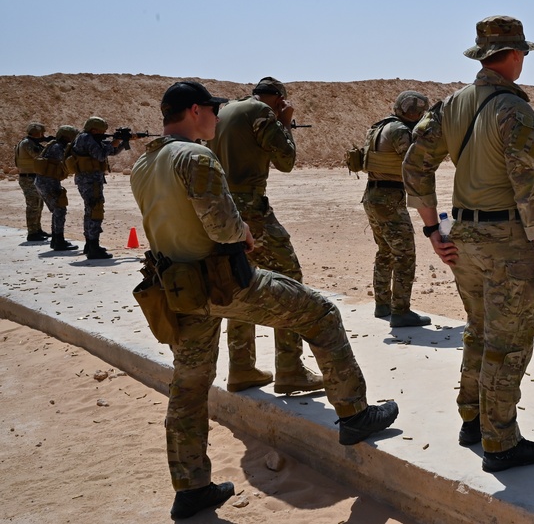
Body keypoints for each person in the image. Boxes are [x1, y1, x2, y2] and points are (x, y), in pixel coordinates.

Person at [131, 81, 399, 519]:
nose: (217, 117)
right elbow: (223, 227)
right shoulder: (195, 156)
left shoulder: (145, 163)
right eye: (212, 110)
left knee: (189, 388)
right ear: (195, 111)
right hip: (223, 282)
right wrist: (244, 233)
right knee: (321, 314)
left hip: (180, 292)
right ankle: (354, 414)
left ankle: (191, 487)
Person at [402, 15, 534, 473]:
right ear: (513, 56)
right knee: (507, 343)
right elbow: (531, 189)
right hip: (505, 242)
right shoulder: (514, 110)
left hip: (463, 238)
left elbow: (415, 167)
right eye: (523, 54)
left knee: (478, 329)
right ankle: (500, 439)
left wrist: (434, 230)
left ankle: (472, 418)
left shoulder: (451, 104)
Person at [206, 77, 323, 395]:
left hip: (222, 207)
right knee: (289, 281)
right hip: (250, 209)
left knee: (240, 282)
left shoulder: (226, 110)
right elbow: (286, 161)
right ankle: (290, 369)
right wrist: (283, 123)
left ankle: (241, 366)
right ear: (279, 99)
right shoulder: (261, 112)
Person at [362, 90, 433, 327]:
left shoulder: (381, 126)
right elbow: (413, 162)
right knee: (404, 255)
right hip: (389, 198)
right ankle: (401, 311)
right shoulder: (400, 131)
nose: (416, 113)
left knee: (385, 251)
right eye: (414, 110)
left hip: (373, 194)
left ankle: (383, 304)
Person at [71, 116, 126, 259]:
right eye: (101, 131)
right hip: (90, 181)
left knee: (90, 211)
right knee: (95, 210)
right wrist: (115, 141)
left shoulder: (88, 138)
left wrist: (121, 142)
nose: (103, 133)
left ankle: (90, 244)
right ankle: (93, 247)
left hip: (89, 180)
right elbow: (101, 155)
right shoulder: (86, 138)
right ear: (94, 129)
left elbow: (111, 152)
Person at [34, 125, 79, 252]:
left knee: (57, 211)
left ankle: (56, 239)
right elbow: (67, 160)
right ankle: (59, 241)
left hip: (44, 181)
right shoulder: (58, 147)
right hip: (48, 182)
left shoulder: (54, 145)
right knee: (60, 210)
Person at [14, 122, 50, 242]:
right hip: (28, 177)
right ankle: (32, 233)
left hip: (32, 177)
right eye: (41, 133)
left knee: (38, 204)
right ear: (37, 133)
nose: (42, 135)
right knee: (33, 205)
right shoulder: (27, 143)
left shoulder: (28, 142)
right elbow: (39, 155)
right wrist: (50, 145)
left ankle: (37, 229)